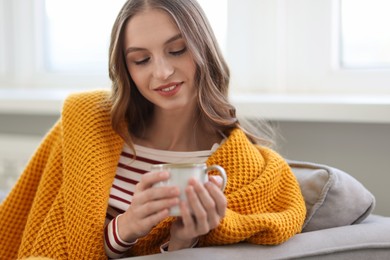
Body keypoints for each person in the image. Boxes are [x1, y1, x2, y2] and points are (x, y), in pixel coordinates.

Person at [0, 0, 306, 259]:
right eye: (141, 60)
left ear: (204, 50)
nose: (161, 72)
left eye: (177, 50)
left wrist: (184, 241)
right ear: (125, 69)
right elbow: (50, 239)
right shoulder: (88, 121)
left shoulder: (247, 169)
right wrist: (125, 228)